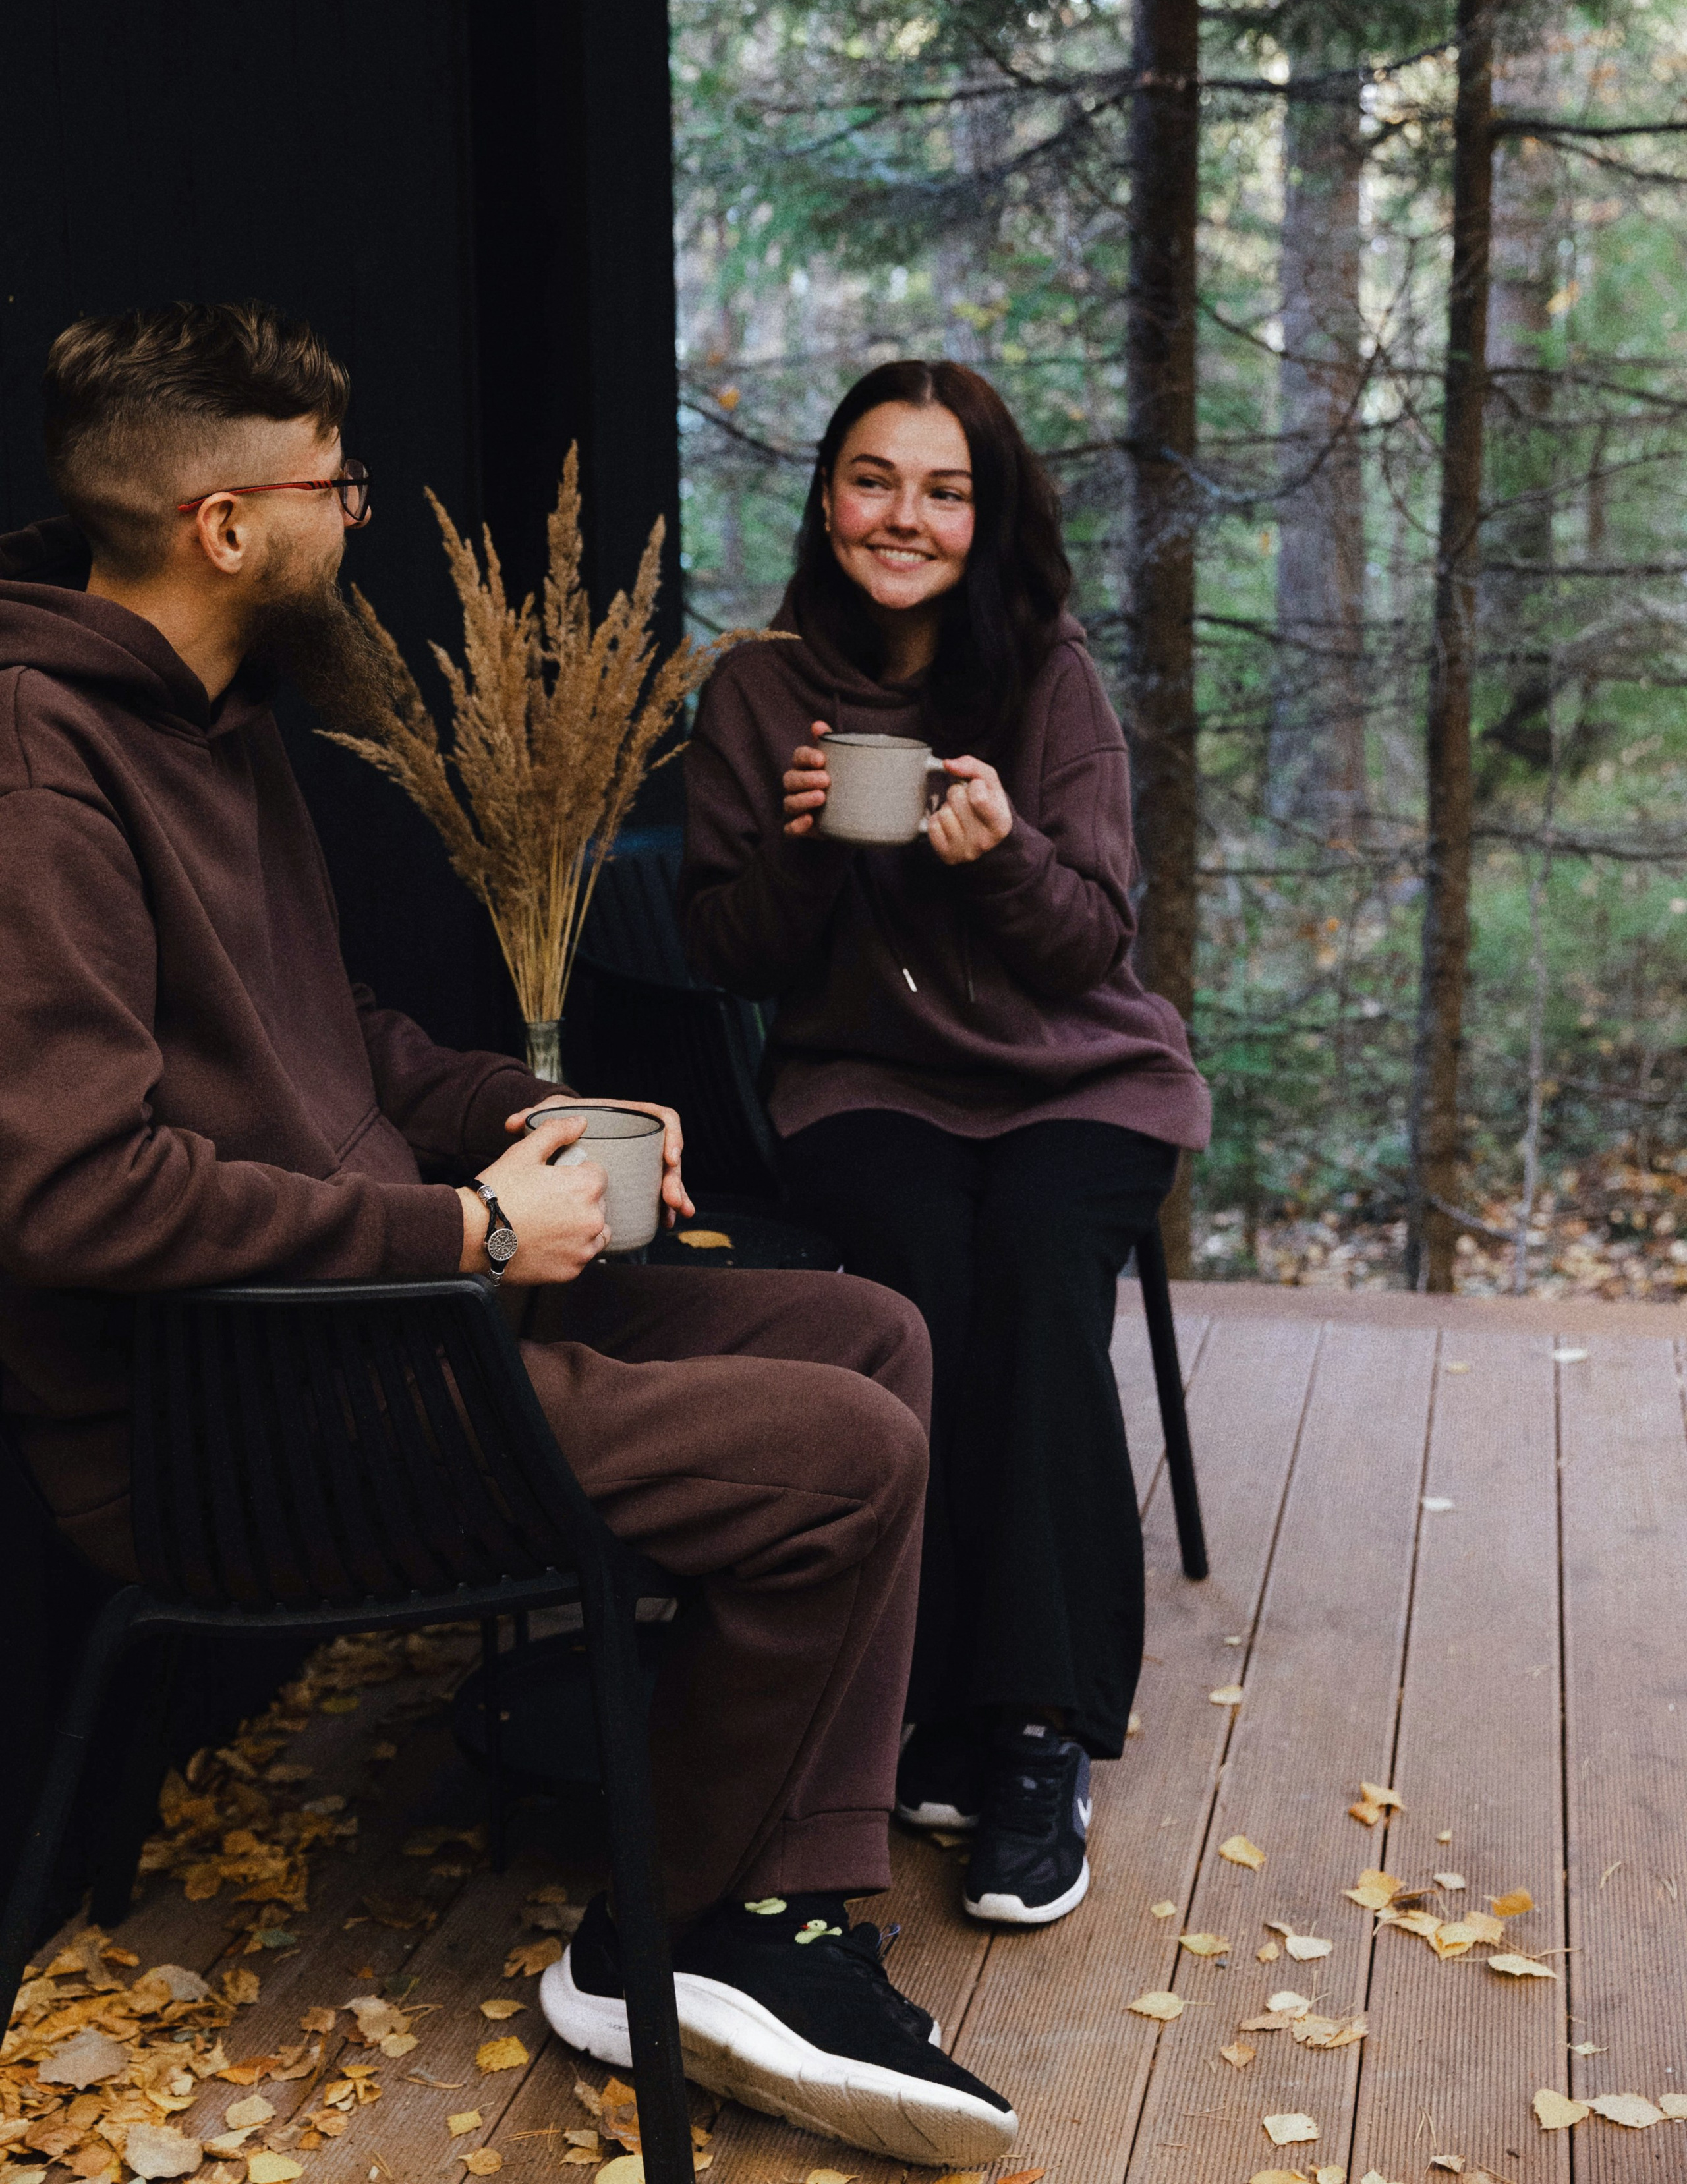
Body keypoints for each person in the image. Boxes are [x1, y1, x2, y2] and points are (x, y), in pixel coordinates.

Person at [0, 304, 1016, 2167]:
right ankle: (658, 1943)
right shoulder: (38, 768)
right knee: (844, 1455)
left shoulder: (217, 728)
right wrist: (467, 1226)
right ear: (226, 527)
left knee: (875, 1337)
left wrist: (521, 1116)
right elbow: (68, 1193)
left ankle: (761, 1914)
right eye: (335, 487)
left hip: (381, 1333)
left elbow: (347, 1032)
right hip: (240, 1417)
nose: (359, 517)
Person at [679, 360, 1211, 1929]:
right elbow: (738, 961)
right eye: (870, 478)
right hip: (867, 1081)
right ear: (825, 497)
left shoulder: (1047, 678)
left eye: (941, 487)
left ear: (988, 515)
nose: (900, 516)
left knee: (1041, 1286)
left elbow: (1088, 951)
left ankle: (1034, 1732)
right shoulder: (758, 690)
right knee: (924, 1288)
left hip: (1080, 1079)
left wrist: (1001, 859)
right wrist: (799, 849)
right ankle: (933, 1693)